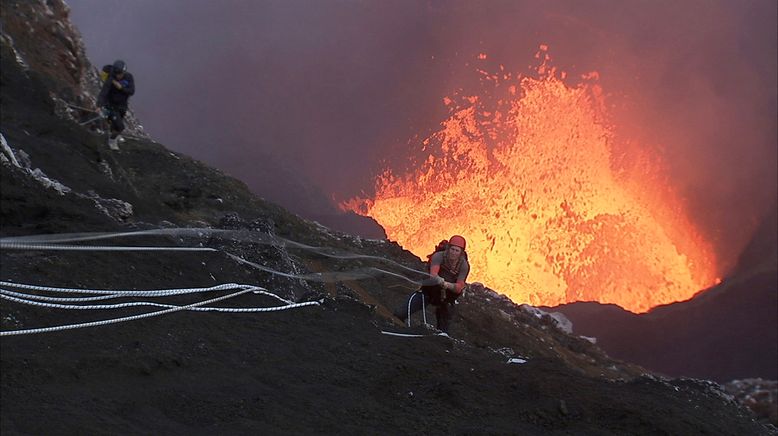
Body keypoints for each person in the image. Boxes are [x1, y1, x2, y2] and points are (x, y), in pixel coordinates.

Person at [396, 235, 470, 333]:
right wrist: (438, 280)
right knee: (400, 313)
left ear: (461, 253)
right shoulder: (438, 256)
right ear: (448, 248)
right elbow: (433, 274)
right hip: (429, 291)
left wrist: (448, 285)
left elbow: (459, 287)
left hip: (447, 297)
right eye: (452, 249)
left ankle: (441, 338)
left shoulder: (464, 265)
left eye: (457, 250)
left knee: (443, 328)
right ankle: (396, 322)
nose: (454, 252)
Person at [98, 59, 134, 150]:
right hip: (111, 106)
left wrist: (121, 88)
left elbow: (131, 91)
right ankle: (112, 141)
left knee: (117, 123)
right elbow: (103, 93)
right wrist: (99, 105)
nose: (118, 76)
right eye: (116, 73)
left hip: (122, 105)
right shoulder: (110, 80)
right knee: (120, 126)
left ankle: (115, 135)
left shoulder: (129, 77)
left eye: (120, 73)